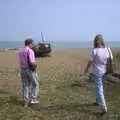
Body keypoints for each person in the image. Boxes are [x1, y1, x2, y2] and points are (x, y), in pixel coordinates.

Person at [84, 34, 113, 113]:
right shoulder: (107, 49)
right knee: (100, 86)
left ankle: (103, 106)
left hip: (97, 72)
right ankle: (98, 101)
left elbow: (90, 61)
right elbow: (111, 59)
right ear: (102, 40)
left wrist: (86, 70)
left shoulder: (95, 50)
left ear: (95, 41)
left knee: (99, 88)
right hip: (105, 71)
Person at [19, 38, 39, 107]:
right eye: (32, 43)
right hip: (30, 70)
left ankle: (26, 102)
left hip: (22, 70)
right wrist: (35, 67)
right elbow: (32, 62)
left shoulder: (21, 50)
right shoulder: (30, 50)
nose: (33, 45)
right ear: (29, 43)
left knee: (25, 86)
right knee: (35, 84)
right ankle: (33, 99)